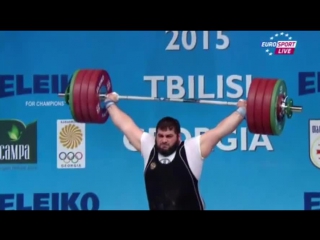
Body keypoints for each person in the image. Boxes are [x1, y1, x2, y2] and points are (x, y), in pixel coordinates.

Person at [104, 92, 247, 210]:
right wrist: (110, 104)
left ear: (179, 137)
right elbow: (126, 125)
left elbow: (220, 131)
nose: (164, 140)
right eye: (160, 136)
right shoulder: (149, 148)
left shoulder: (191, 149)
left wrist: (241, 111)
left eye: (169, 136)